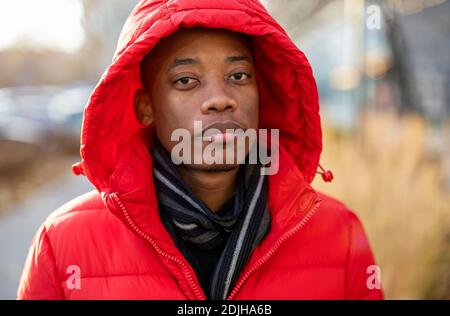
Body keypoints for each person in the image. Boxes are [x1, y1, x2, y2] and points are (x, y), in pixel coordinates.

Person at [17, 0, 384, 300]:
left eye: (238, 76)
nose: (220, 99)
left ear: (263, 92)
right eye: (186, 81)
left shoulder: (340, 235)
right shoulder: (63, 246)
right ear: (145, 106)